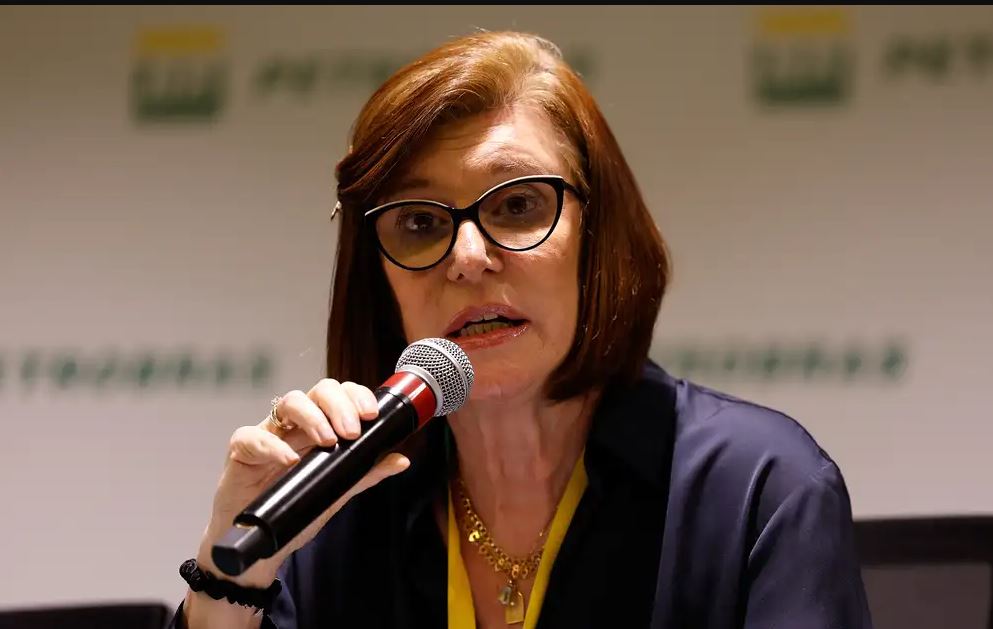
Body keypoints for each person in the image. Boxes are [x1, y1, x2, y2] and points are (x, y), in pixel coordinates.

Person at [171, 31, 872, 629]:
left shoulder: (760, 489)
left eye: (517, 205)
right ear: (377, 278)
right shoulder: (338, 508)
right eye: (419, 222)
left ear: (597, 237)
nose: (467, 257)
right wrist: (233, 576)